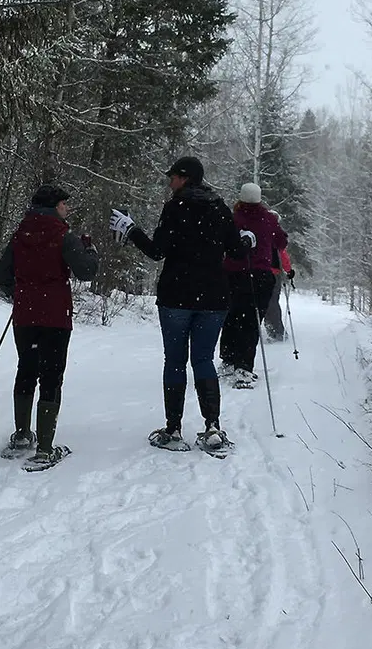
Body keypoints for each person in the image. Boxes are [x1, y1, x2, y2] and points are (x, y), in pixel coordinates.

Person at [110, 155, 250, 453]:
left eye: (172, 176)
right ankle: (212, 427)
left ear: (185, 177)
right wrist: (248, 240)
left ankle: (173, 430)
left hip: (177, 297)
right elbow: (237, 252)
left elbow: (157, 251)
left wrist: (131, 229)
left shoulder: (176, 207)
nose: (169, 181)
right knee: (203, 360)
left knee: (175, 361)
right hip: (213, 298)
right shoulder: (220, 208)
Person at [0, 183, 99, 467]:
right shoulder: (63, 235)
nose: (68, 209)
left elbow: (1, 275)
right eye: (64, 204)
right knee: (51, 375)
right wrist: (90, 251)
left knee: (26, 368)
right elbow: (86, 272)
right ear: (54, 206)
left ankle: (22, 435)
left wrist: (19, 293)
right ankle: (45, 448)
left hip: (25, 315)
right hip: (55, 316)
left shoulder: (20, 234)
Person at [219, 181, 288, 382]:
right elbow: (282, 242)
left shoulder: (233, 219)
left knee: (232, 317)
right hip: (260, 276)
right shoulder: (268, 219)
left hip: (233, 274)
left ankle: (228, 360)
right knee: (251, 320)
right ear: (259, 199)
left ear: (241, 198)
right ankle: (244, 366)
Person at [265, 244, 294, 343]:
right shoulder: (274, 238)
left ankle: (274, 331)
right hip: (273, 274)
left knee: (266, 303)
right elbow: (282, 255)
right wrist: (288, 270)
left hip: (261, 274)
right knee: (272, 303)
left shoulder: (259, 234)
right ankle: (276, 331)